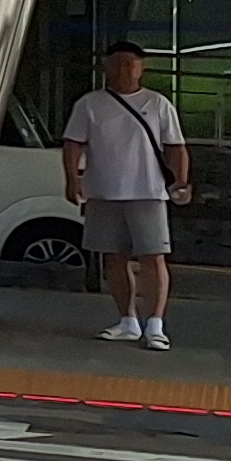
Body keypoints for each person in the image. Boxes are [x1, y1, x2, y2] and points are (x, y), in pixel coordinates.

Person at [59, 42, 191, 348]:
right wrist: (72, 179)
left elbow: (176, 146)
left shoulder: (157, 104)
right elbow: (73, 144)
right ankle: (127, 320)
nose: (123, 70)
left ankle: (155, 324)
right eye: (117, 64)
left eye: (130, 64)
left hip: (148, 191)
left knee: (153, 257)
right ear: (106, 67)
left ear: (141, 68)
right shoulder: (89, 104)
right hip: (103, 192)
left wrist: (182, 180)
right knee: (113, 258)